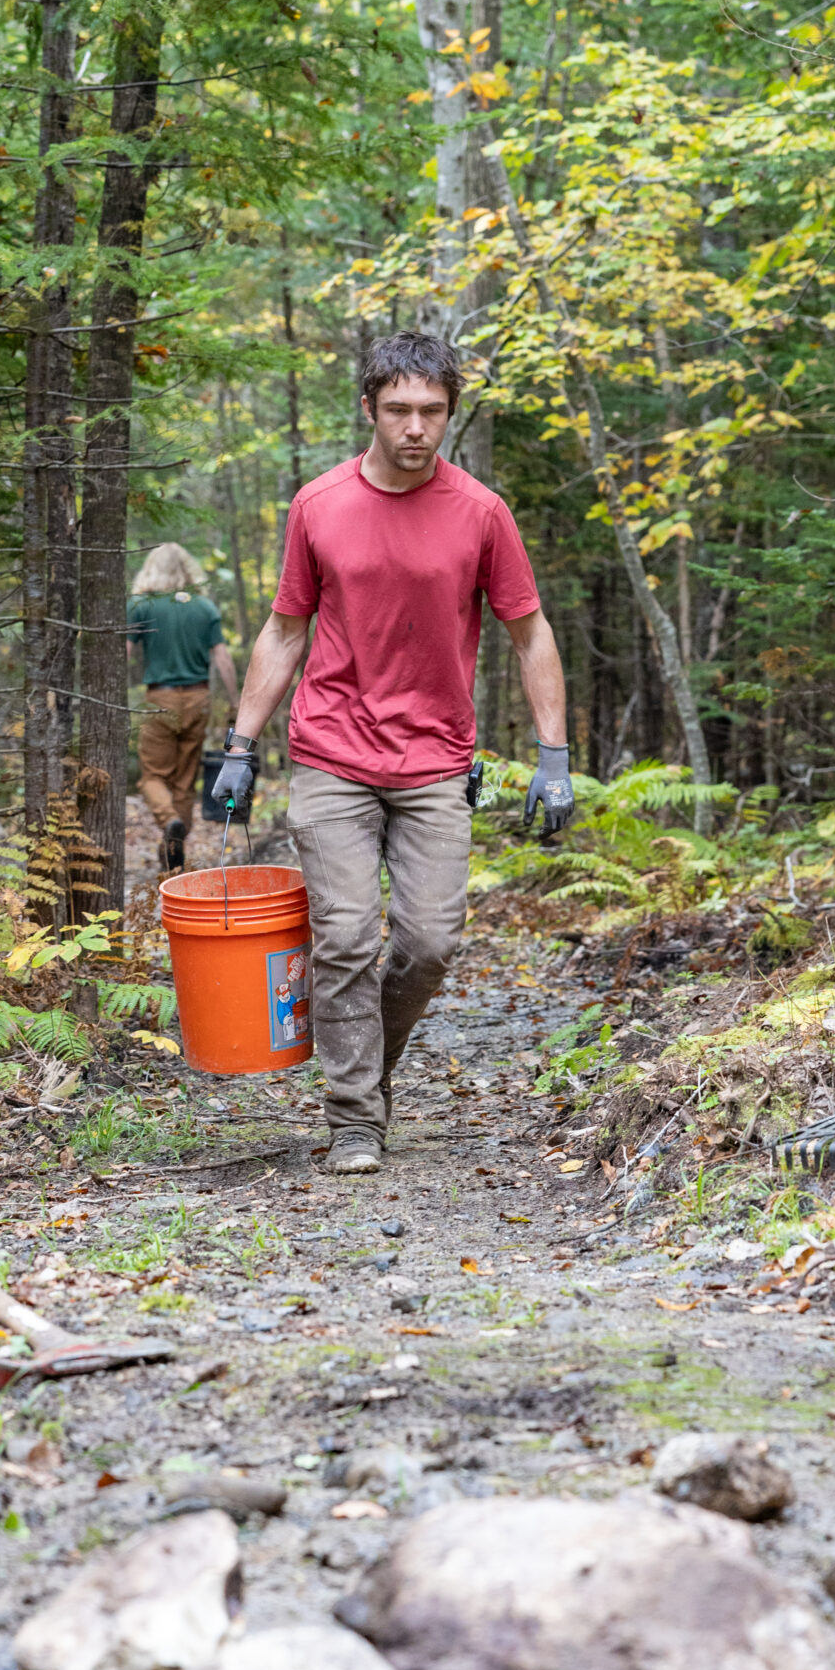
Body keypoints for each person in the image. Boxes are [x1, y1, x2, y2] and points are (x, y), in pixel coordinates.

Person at [212, 329, 574, 1174]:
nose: (417, 427)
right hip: (331, 750)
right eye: (401, 410)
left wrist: (552, 756)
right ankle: (353, 1118)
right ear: (368, 409)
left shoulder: (481, 512)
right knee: (341, 936)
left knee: (429, 943)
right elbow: (284, 627)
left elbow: (529, 634)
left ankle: (365, 1063)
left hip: (437, 761)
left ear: (450, 413)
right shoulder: (319, 504)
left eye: (433, 412)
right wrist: (238, 743)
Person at [128, 543, 239, 875]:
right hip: (198, 700)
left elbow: (126, 652)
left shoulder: (141, 606)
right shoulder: (204, 608)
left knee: (152, 777)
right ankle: (174, 862)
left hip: (159, 700)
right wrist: (235, 702)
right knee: (184, 782)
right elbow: (221, 657)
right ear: (188, 569)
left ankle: (170, 820)